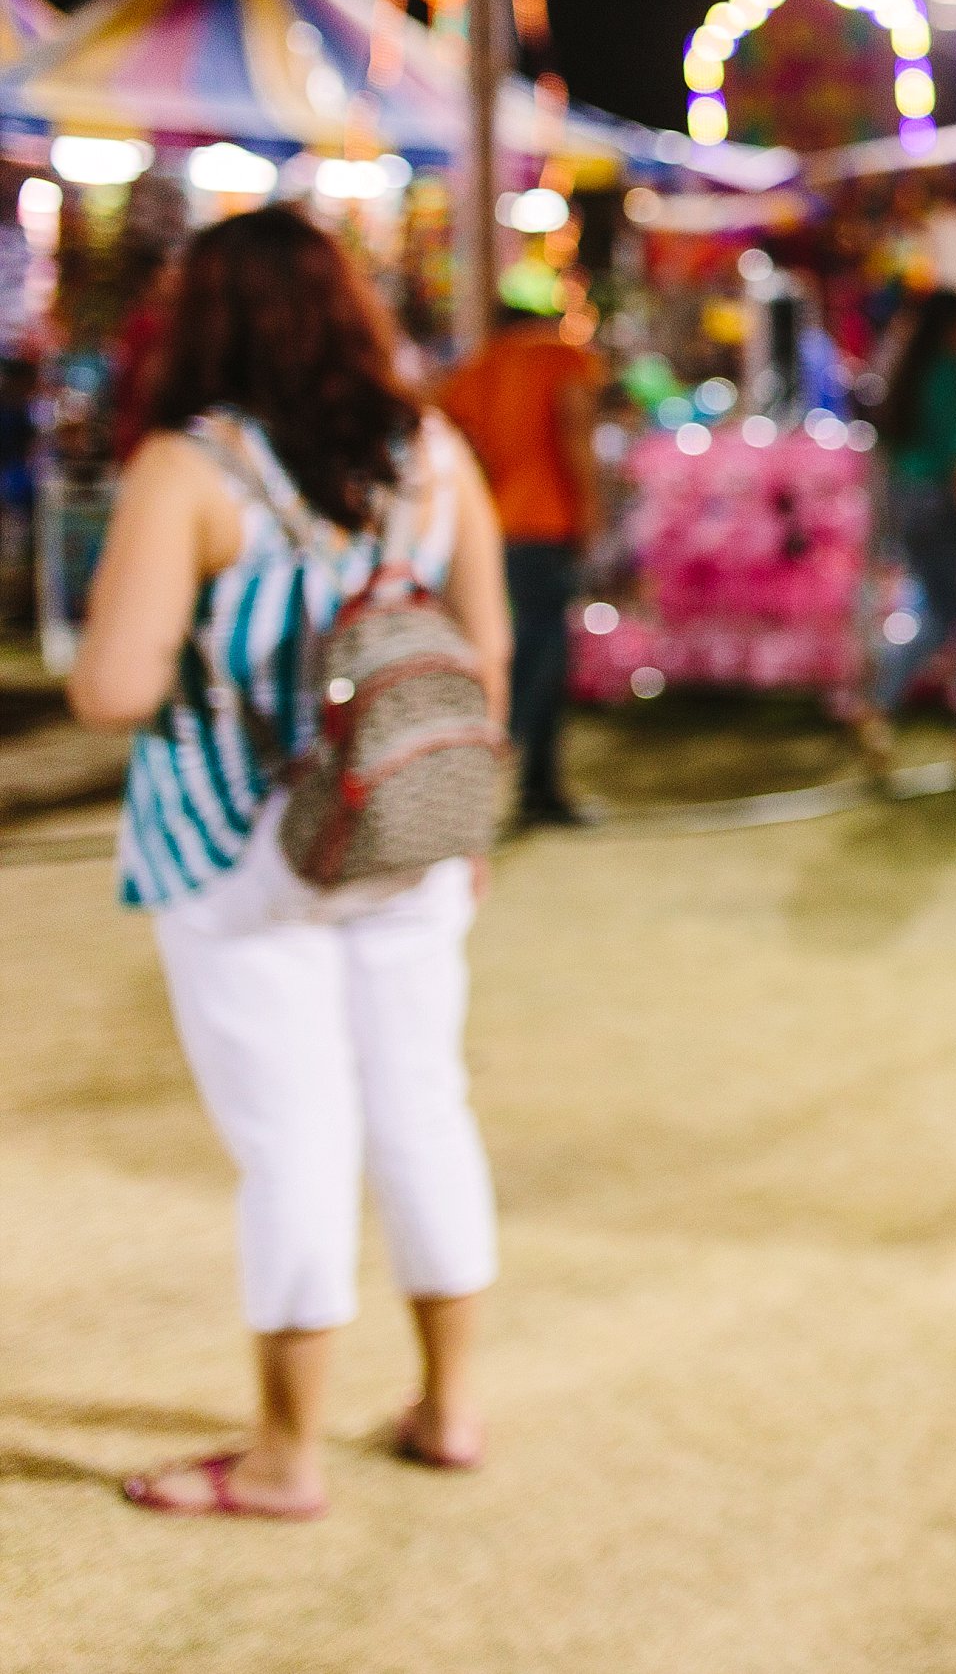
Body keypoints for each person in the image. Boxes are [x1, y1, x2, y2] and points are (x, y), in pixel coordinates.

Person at [68, 207, 511, 1519]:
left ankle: (282, 1454)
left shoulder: (191, 472)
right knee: (423, 1105)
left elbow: (110, 684)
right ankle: (450, 1403)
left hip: (239, 847)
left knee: (295, 1139)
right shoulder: (432, 454)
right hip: (412, 837)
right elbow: (483, 651)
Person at [438, 261, 605, 827]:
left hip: (497, 523)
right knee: (545, 651)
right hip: (547, 522)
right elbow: (573, 432)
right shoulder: (561, 355)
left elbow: (453, 440)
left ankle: (528, 783)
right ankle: (521, 769)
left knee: (522, 645)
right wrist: (591, 510)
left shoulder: (478, 366)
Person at [861, 289, 956, 783]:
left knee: (939, 615)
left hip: (914, 504)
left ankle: (881, 710)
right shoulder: (949, 375)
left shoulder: (915, 369)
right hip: (943, 507)